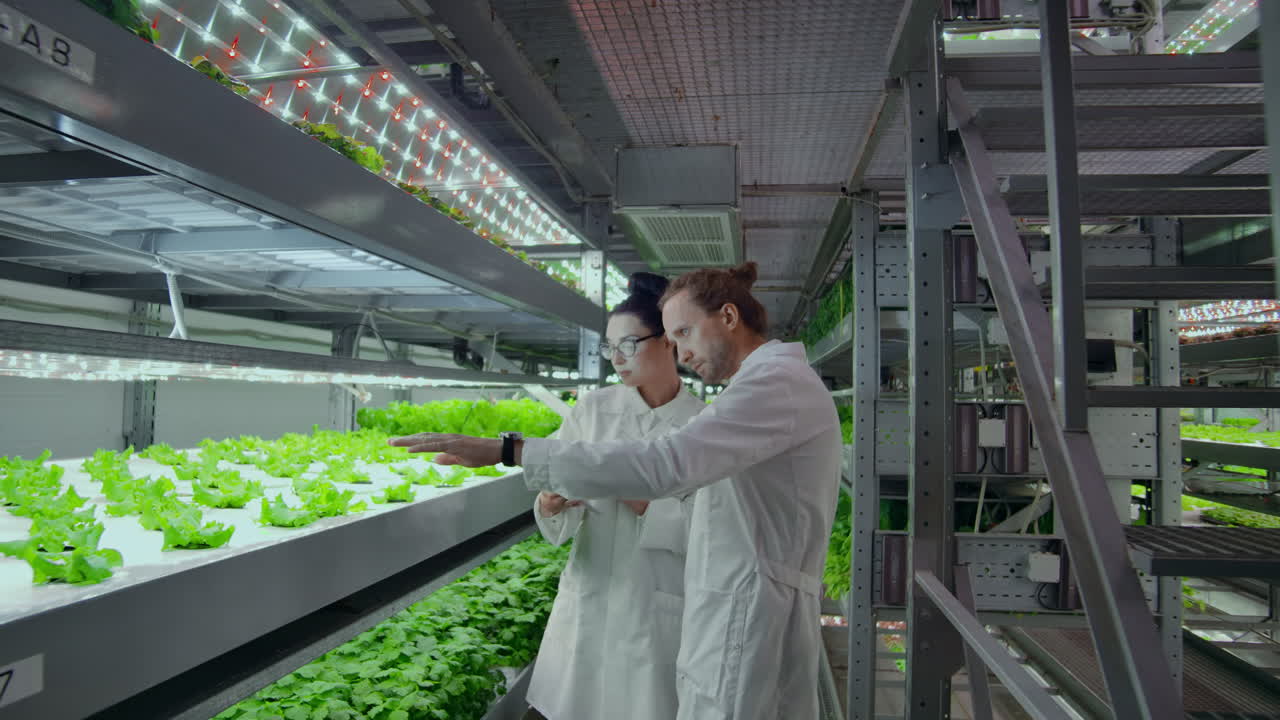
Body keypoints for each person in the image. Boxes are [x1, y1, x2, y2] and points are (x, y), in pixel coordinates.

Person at [391, 261, 841, 720]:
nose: (682, 351)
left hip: (734, 609)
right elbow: (700, 497)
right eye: (610, 347)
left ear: (727, 316)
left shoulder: (770, 387)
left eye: (683, 333)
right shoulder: (741, 392)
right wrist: (552, 498)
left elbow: (665, 467)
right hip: (696, 602)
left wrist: (510, 450)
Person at [526, 272, 705, 720]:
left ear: (667, 340)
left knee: (644, 706)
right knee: (577, 704)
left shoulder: (703, 425)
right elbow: (559, 504)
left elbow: (713, 528)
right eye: (609, 347)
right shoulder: (592, 410)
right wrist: (550, 505)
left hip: (655, 602)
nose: (617, 359)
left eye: (628, 344)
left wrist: (648, 506)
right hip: (590, 594)